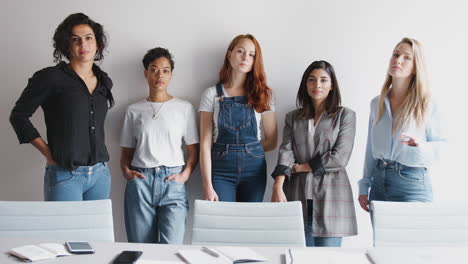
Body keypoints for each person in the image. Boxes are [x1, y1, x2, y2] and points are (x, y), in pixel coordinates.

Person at [9, 13, 114, 201]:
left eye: (89, 38)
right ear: (67, 45)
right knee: (64, 231)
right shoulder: (50, 78)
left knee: (95, 231)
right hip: (65, 176)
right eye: (76, 40)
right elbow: (18, 116)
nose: (83, 44)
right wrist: (47, 151)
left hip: (100, 175)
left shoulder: (104, 82)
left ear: (97, 43)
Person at [271, 60, 357, 247]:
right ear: (305, 84)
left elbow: (340, 157)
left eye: (323, 80)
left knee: (328, 259)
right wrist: (278, 185)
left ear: (332, 85)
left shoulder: (345, 116)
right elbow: (286, 150)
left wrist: (301, 167)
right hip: (296, 194)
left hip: (331, 197)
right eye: (312, 80)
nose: (317, 85)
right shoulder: (293, 117)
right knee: (300, 257)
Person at [120, 47, 199, 244]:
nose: (159, 75)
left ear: (171, 74)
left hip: (172, 181)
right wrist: (127, 173)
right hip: (141, 181)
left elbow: (193, 150)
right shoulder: (133, 110)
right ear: (146, 73)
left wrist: (184, 175)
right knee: (141, 247)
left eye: (165, 70)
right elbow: (126, 153)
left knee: (171, 249)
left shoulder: (184, 108)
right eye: (154, 69)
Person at [358, 38, 446, 213]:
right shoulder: (377, 103)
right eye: (395, 54)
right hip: (379, 184)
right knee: (382, 241)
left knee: (411, 239)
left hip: (411, 183)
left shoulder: (426, 104)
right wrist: (364, 185)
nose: (398, 60)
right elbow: (370, 149)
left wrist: (421, 146)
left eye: (407, 57)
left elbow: (443, 146)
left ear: (416, 67)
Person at [199, 34, 277, 202]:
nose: (245, 57)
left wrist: (249, 150)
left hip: (254, 169)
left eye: (251, 54)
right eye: (240, 51)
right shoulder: (211, 94)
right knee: (224, 222)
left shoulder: (264, 95)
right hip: (221, 169)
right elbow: (205, 145)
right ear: (229, 54)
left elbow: (271, 140)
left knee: (249, 223)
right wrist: (207, 186)